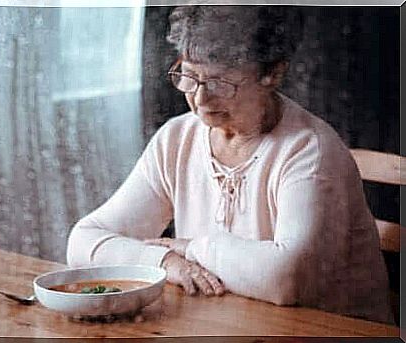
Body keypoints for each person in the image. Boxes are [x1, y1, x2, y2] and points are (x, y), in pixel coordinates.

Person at [66, 6, 393, 324]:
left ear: (273, 73)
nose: (200, 100)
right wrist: (166, 261)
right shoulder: (177, 138)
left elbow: (288, 280)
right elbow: (85, 241)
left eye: (220, 83)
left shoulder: (310, 151)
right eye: (189, 76)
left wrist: (193, 248)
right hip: (227, 325)